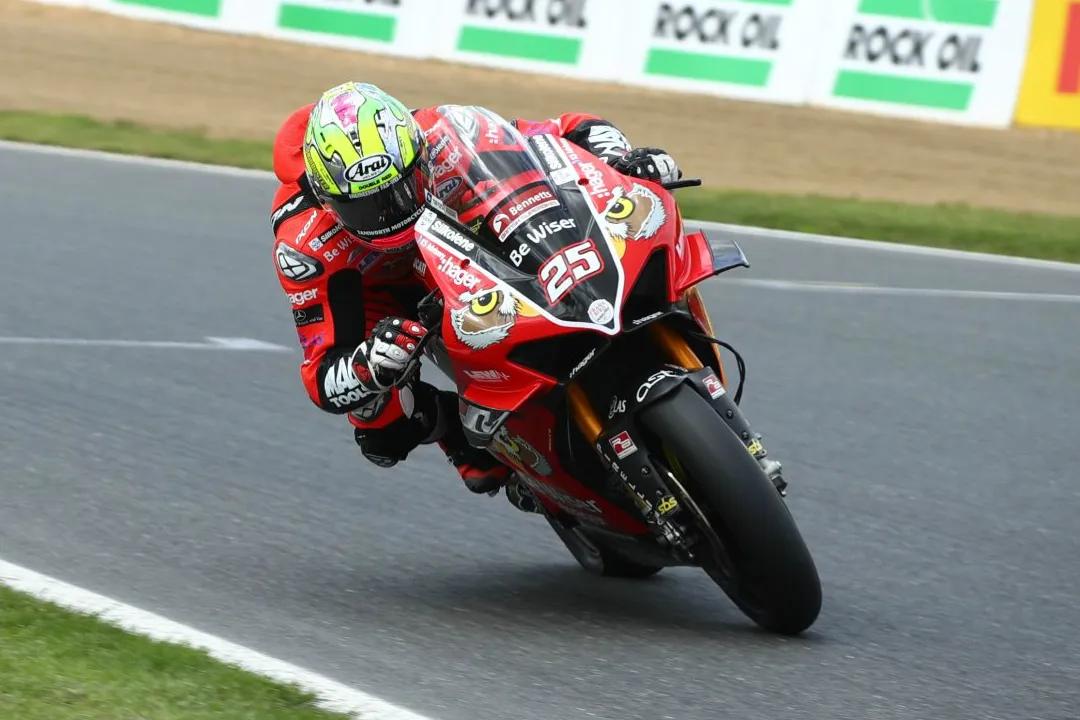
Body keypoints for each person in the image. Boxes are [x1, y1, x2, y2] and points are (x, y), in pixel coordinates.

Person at [270, 82, 684, 511]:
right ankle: (463, 437)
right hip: (383, 289)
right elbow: (322, 376)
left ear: (418, 155)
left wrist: (620, 159)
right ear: (326, 201)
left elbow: (564, 133)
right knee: (380, 430)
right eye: (366, 207)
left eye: (399, 189)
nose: (389, 213)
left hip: (460, 235)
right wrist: (366, 364)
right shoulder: (305, 246)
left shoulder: (445, 132)